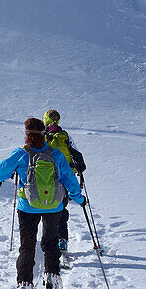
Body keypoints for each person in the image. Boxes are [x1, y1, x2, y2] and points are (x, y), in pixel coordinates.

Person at [0, 117, 84, 289]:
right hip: (54, 206)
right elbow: (69, 179)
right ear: (43, 133)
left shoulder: (21, 153)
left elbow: (0, 173)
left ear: (26, 134)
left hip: (27, 207)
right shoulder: (56, 154)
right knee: (50, 243)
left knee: (27, 247)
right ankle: (51, 283)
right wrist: (79, 198)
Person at [43, 108, 87, 262]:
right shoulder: (65, 136)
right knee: (62, 208)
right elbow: (77, 154)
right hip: (64, 177)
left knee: (47, 209)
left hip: (45, 178)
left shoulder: (41, 136)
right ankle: (62, 239)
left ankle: (48, 242)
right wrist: (79, 169)